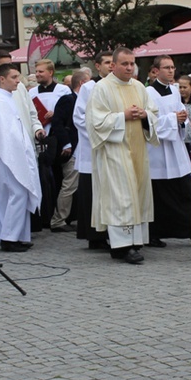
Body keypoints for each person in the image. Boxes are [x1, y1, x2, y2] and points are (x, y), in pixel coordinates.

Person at [87, 47, 159, 264]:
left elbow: (153, 113)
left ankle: (136, 241)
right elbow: (95, 122)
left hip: (137, 149)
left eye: (132, 63)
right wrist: (123, 117)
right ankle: (121, 247)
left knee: (137, 195)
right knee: (121, 198)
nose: (129, 67)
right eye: (124, 64)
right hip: (114, 150)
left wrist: (145, 115)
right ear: (113, 65)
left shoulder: (139, 87)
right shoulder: (102, 88)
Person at [0, 63, 45, 252]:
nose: (18, 81)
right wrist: (17, 155)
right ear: (2, 79)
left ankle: (18, 235)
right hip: (7, 157)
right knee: (16, 194)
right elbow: (3, 133)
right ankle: (9, 238)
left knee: (19, 194)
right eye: (14, 77)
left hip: (15, 155)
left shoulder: (8, 98)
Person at [146, 55, 191, 247]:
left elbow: (181, 111)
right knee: (159, 196)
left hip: (175, 148)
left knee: (185, 192)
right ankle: (154, 233)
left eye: (173, 67)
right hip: (157, 151)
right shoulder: (147, 93)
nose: (171, 71)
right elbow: (149, 122)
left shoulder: (175, 91)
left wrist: (182, 118)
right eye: (166, 67)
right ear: (156, 71)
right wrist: (173, 119)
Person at [73, 51, 113, 250]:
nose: (110, 66)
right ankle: (94, 236)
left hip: (113, 146)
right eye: (107, 63)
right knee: (92, 192)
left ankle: (112, 232)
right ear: (98, 66)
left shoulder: (118, 85)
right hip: (93, 148)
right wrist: (100, 135)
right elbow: (79, 117)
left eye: (113, 62)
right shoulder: (89, 87)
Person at [29, 59, 72, 228]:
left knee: (60, 178)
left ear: (51, 72)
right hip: (40, 138)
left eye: (41, 71)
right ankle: (45, 215)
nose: (38, 74)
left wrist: (56, 114)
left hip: (57, 136)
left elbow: (69, 113)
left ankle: (61, 216)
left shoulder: (63, 90)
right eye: (36, 71)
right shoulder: (31, 92)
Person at [49, 70, 86, 233]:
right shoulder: (68, 100)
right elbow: (57, 122)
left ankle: (70, 216)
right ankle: (58, 220)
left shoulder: (82, 101)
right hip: (72, 149)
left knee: (75, 185)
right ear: (82, 84)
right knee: (69, 185)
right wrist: (66, 144)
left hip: (81, 149)